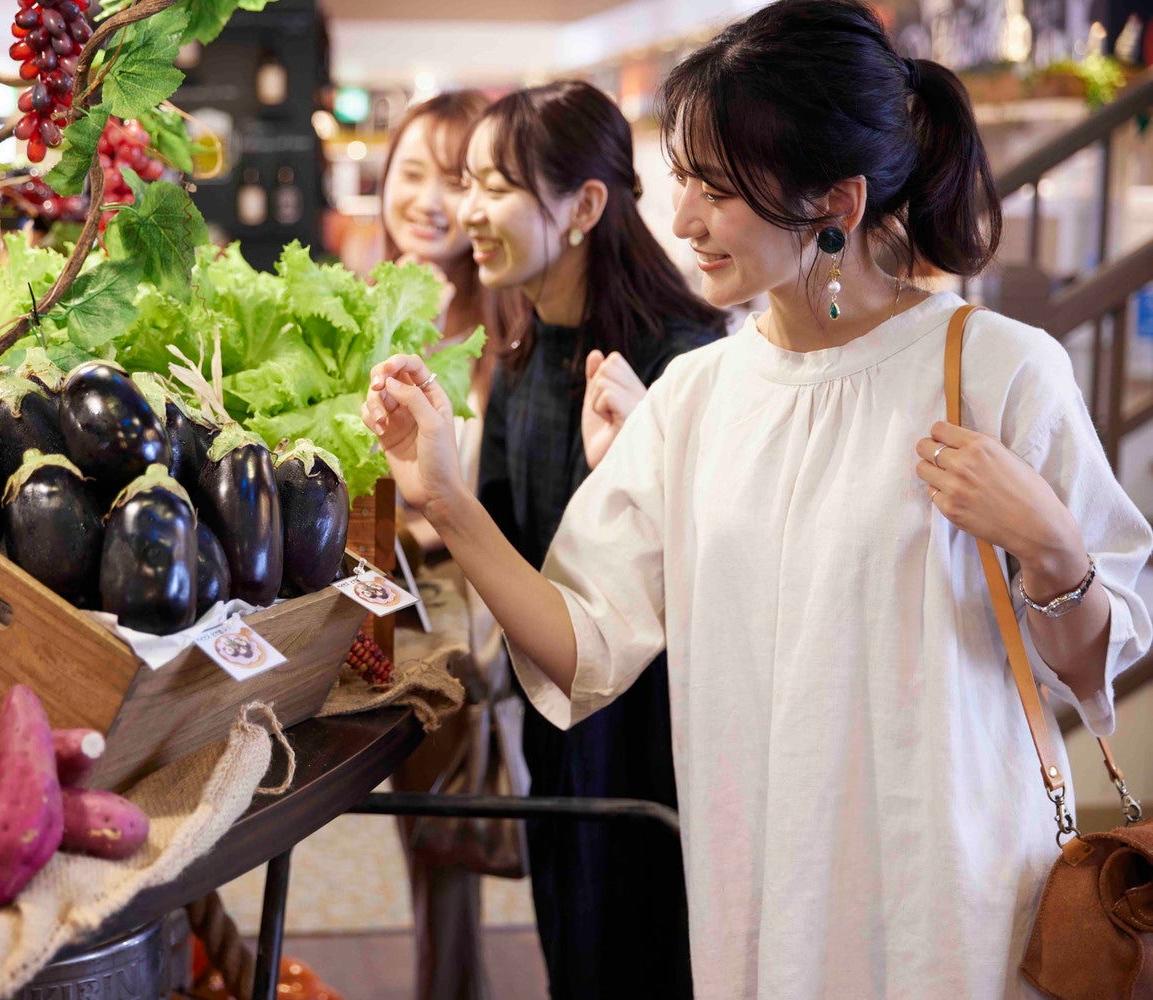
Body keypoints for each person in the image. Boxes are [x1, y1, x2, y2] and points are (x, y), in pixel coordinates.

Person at [360, 2, 1153, 997]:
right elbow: (580, 642)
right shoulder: (699, 396)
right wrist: (445, 499)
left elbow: (1095, 662)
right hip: (762, 899)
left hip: (949, 901)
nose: (684, 219)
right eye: (684, 181)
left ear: (838, 203)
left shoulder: (995, 369)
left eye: (718, 190)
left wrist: (1051, 546)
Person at [460, 80, 725, 999]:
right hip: (559, 733)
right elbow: (506, 541)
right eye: (467, 183)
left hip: (654, 753)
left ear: (584, 207)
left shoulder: (682, 362)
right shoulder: (525, 344)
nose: (468, 212)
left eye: (495, 186)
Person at [375, 89, 516, 1000]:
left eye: (456, 180)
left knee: (446, 844)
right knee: (424, 841)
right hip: (375, 605)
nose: (428, 199)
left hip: (462, 623)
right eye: (412, 172)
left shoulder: (506, 329)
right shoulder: (363, 305)